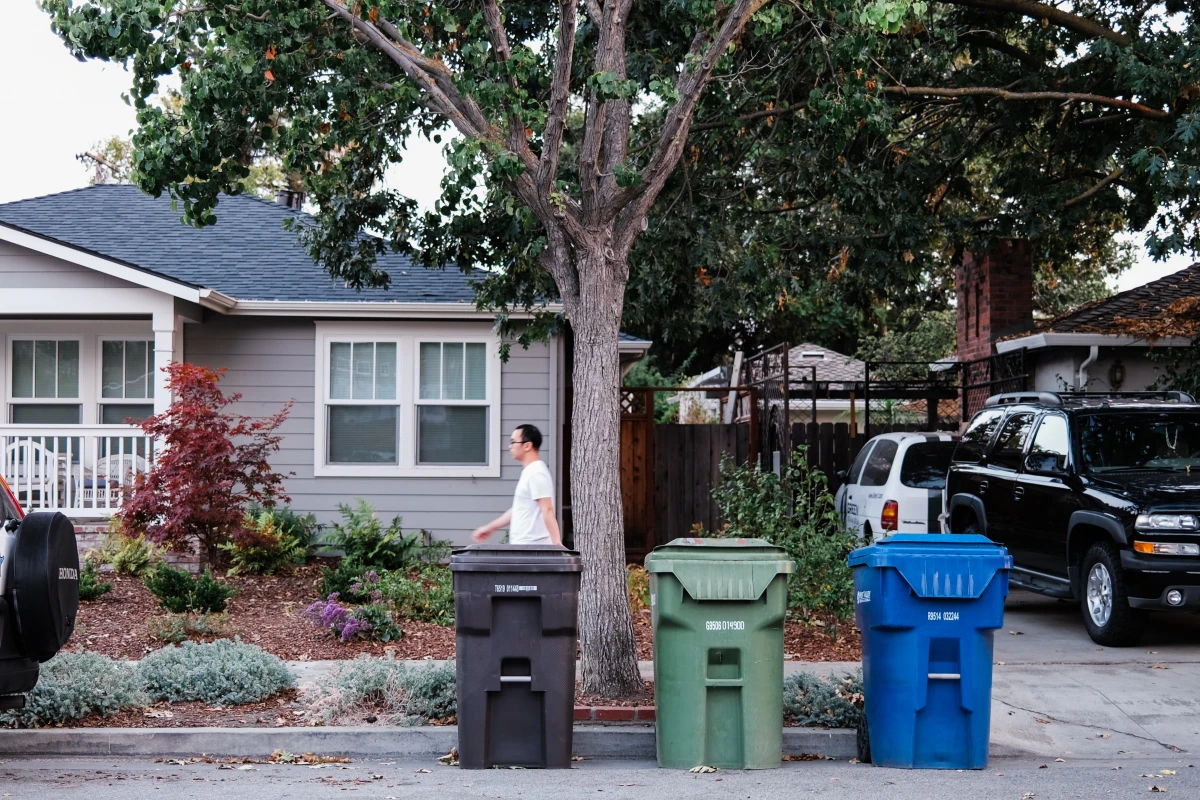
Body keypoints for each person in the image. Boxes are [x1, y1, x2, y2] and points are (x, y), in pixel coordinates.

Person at [471, 424, 562, 545]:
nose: (510, 446)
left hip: (533, 548)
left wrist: (557, 544)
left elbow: (547, 509)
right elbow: (519, 509)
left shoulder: (536, 473)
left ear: (527, 446)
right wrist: (490, 527)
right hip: (524, 548)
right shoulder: (530, 472)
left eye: (513, 442)